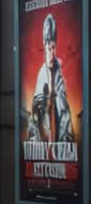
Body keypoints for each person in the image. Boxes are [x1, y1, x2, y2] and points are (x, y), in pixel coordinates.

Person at [26, 13, 74, 143]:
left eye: (53, 48)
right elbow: (35, 118)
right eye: (48, 48)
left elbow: (65, 115)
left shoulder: (60, 76)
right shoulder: (41, 76)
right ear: (44, 47)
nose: (51, 53)